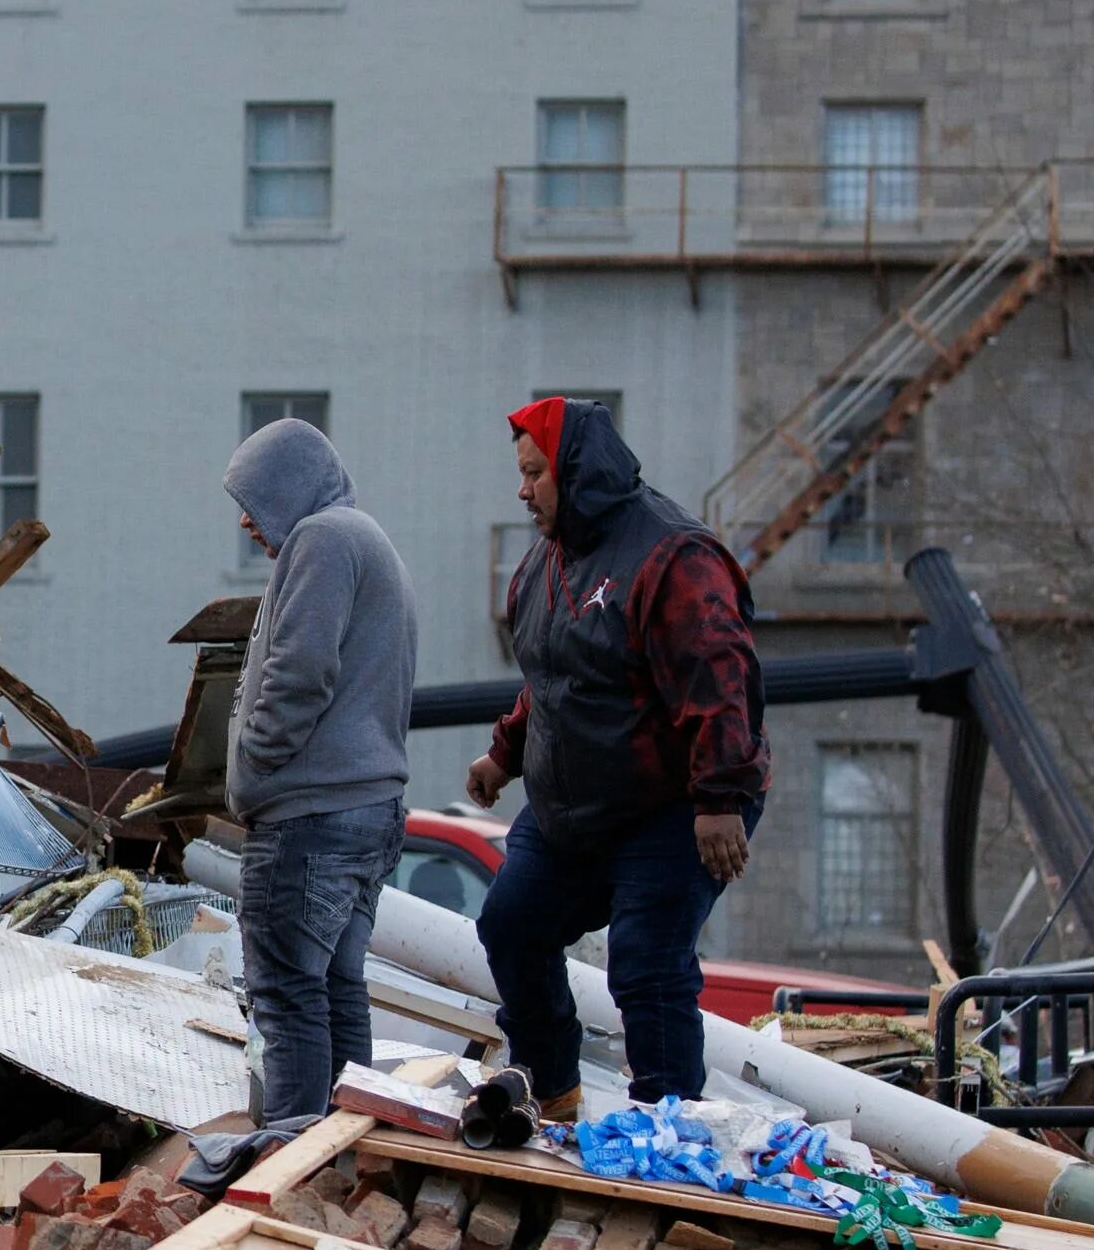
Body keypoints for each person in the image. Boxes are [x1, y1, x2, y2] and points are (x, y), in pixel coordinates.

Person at [469, 396, 768, 1116]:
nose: (522, 490)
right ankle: (549, 1092)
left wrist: (719, 800)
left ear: (575, 472)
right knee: (511, 925)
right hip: (571, 807)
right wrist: (503, 755)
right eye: (521, 473)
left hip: (670, 806)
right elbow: (553, 677)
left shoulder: (674, 559)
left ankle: (669, 1130)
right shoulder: (545, 563)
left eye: (536, 473)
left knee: (647, 965)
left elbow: (720, 682)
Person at [224, 417, 421, 1132]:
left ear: (292, 490)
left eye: (257, 498)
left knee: (287, 996)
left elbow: (300, 672)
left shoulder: (324, 539)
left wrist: (258, 761)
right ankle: (340, 1158)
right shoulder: (363, 539)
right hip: (362, 811)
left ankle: (290, 1166)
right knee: (335, 990)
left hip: (312, 819)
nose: (247, 520)